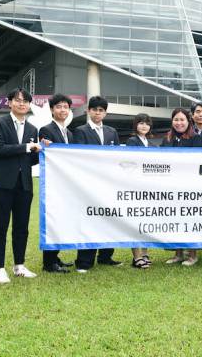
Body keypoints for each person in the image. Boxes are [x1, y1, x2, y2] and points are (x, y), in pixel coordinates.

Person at [0, 88, 42, 284]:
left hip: (24, 183)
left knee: (22, 227)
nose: (22, 104)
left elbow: (30, 160)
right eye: (18, 100)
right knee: (0, 226)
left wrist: (42, 151)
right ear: (9, 102)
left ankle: (19, 265)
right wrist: (27, 147)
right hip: (2, 183)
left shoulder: (32, 129)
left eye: (25, 101)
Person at [73, 95, 122, 273]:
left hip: (109, 183)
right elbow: (79, 157)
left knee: (109, 218)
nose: (97, 113)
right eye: (94, 110)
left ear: (105, 113)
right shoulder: (80, 131)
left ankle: (105, 256)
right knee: (90, 220)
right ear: (88, 111)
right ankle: (84, 261)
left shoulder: (111, 131)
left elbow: (117, 156)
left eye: (101, 110)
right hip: (89, 183)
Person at [38, 93, 75, 274]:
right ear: (52, 109)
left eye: (65, 107)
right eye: (59, 107)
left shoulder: (69, 133)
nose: (62, 110)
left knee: (62, 221)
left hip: (66, 184)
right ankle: (49, 262)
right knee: (53, 221)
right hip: (53, 184)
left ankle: (55, 257)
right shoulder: (46, 130)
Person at [160, 108, 202, 265]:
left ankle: (192, 255)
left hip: (190, 186)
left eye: (182, 119)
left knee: (190, 220)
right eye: (176, 120)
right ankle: (178, 254)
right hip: (171, 186)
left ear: (188, 121)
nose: (179, 123)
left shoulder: (196, 138)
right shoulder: (167, 138)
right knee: (174, 219)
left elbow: (198, 162)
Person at [125, 113, 154, 269]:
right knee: (135, 222)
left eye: (147, 123)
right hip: (135, 186)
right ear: (136, 125)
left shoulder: (151, 144)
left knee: (146, 221)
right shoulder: (132, 141)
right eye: (141, 123)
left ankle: (145, 253)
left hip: (148, 188)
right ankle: (137, 257)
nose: (144, 126)